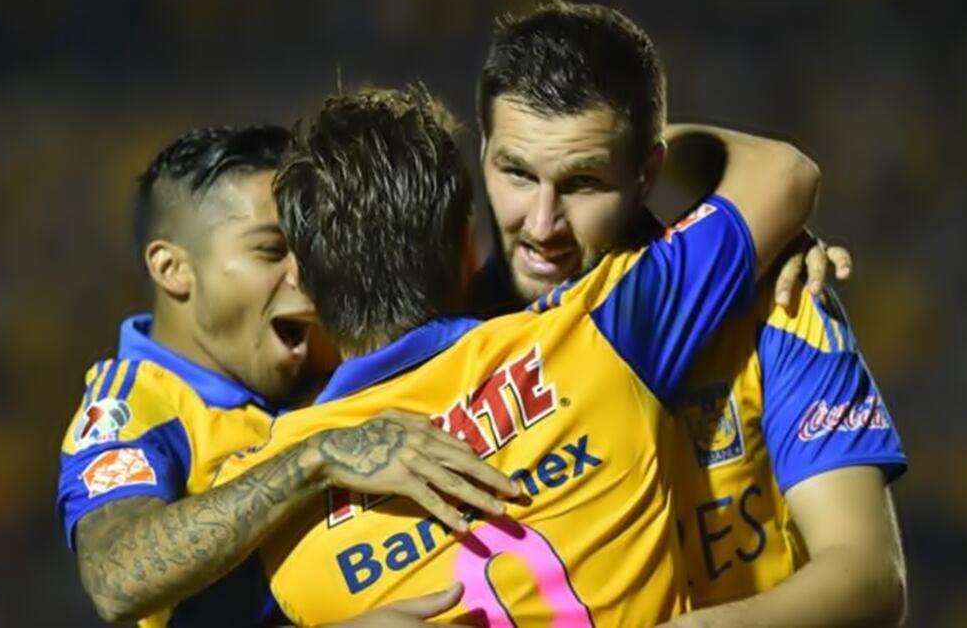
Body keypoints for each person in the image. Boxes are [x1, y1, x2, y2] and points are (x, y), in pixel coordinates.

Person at [212, 83, 817, 625]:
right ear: (466, 247)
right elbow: (783, 173)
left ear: (304, 284)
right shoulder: (597, 331)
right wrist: (637, 160)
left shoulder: (259, 509)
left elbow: (125, 590)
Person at [470, 0, 907, 626]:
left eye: (583, 182)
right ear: (484, 150)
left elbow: (870, 577)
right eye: (516, 173)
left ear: (649, 171)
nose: (541, 225)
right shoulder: (449, 340)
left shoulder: (774, 302)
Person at [56, 126, 516, 626]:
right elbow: (117, 578)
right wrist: (314, 458)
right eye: (271, 251)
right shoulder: (133, 406)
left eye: (310, 249)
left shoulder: (313, 350)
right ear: (172, 269)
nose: (304, 275)